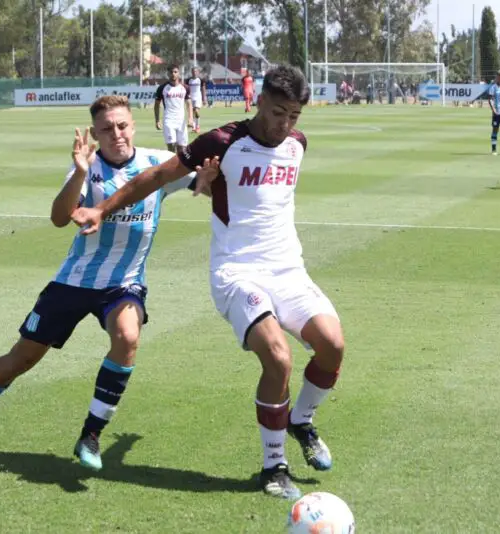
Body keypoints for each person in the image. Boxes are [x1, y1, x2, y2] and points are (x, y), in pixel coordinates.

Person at [71, 65, 345, 501]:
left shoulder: (297, 145)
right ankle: (273, 466)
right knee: (278, 358)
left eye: (294, 115)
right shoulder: (222, 141)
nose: (285, 124)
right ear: (258, 102)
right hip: (236, 271)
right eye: (278, 113)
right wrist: (102, 210)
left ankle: (301, 420)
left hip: (288, 269)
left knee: (332, 346)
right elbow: (157, 177)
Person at [0, 95, 212, 471]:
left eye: (122, 126)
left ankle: (91, 434)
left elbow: (204, 188)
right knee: (21, 359)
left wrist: (207, 181)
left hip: (124, 283)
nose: (116, 134)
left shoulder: (157, 164)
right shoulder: (87, 167)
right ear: (95, 134)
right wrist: (80, 172)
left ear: (133, 126)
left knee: (128, 337)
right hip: (72, 283)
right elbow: (59, 217)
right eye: (106, 129)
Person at [154, 64, 193, 154]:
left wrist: (190, 118)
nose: (173, 74)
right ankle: (171, 167)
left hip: (181, 121)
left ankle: (181, 167)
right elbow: (157, 104)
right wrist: (157, 120)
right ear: (168, 74)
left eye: (175, 72)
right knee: (171, 147)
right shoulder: (162, 88)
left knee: (183, 149)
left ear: (178, 73)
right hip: (169, 120)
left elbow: (189, 104)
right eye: (171, 72)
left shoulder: (185, 88)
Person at [187, 67, 208, 133]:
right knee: (192, 113)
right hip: (190, 98)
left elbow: (203, 89)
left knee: (196, 111)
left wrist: (204, 99)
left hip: (198, 98)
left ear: (198, 72)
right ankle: (194, 127)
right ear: (191, 72)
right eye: (193, 71)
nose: (194, 72)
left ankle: (197, 126)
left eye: (196, 71)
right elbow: (186, 89)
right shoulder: (188, 80)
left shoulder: (200, 80)